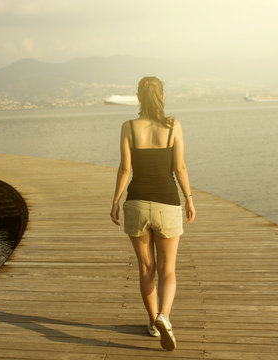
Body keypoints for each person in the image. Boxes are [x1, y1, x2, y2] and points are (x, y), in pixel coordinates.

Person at [110, 76, 196, 351]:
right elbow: (179, 168)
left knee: (147, 269)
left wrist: (115, 201)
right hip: (168, 204)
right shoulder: (173, 127)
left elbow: (125, 169)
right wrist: (189, 199)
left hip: (136, 203)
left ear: (138, 97)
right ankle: (164, 317)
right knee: (167, 269)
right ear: (163, 95)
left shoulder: (128, 127)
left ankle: (152, 324)